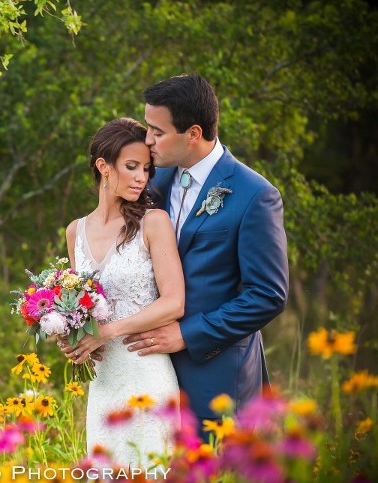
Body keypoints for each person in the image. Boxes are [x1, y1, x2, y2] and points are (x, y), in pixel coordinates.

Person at [122, 73, 289, 441]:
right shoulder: (154, 184)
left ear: (193, 134)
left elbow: (268, 295)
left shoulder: (255, 195)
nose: (147, 141)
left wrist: (187, 334)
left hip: (218, 372)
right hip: (152, 371)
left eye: (157, 132)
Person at [62, 118, 185, 483]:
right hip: (103, 384)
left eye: (146, 169)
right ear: (104, 166)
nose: (141, 178)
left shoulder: (154, 222)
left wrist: (108, 330)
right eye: (132, 166)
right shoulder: (75, 231)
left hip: (146, 375)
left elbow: (174, 302)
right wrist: (71, 334)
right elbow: (79, 307)